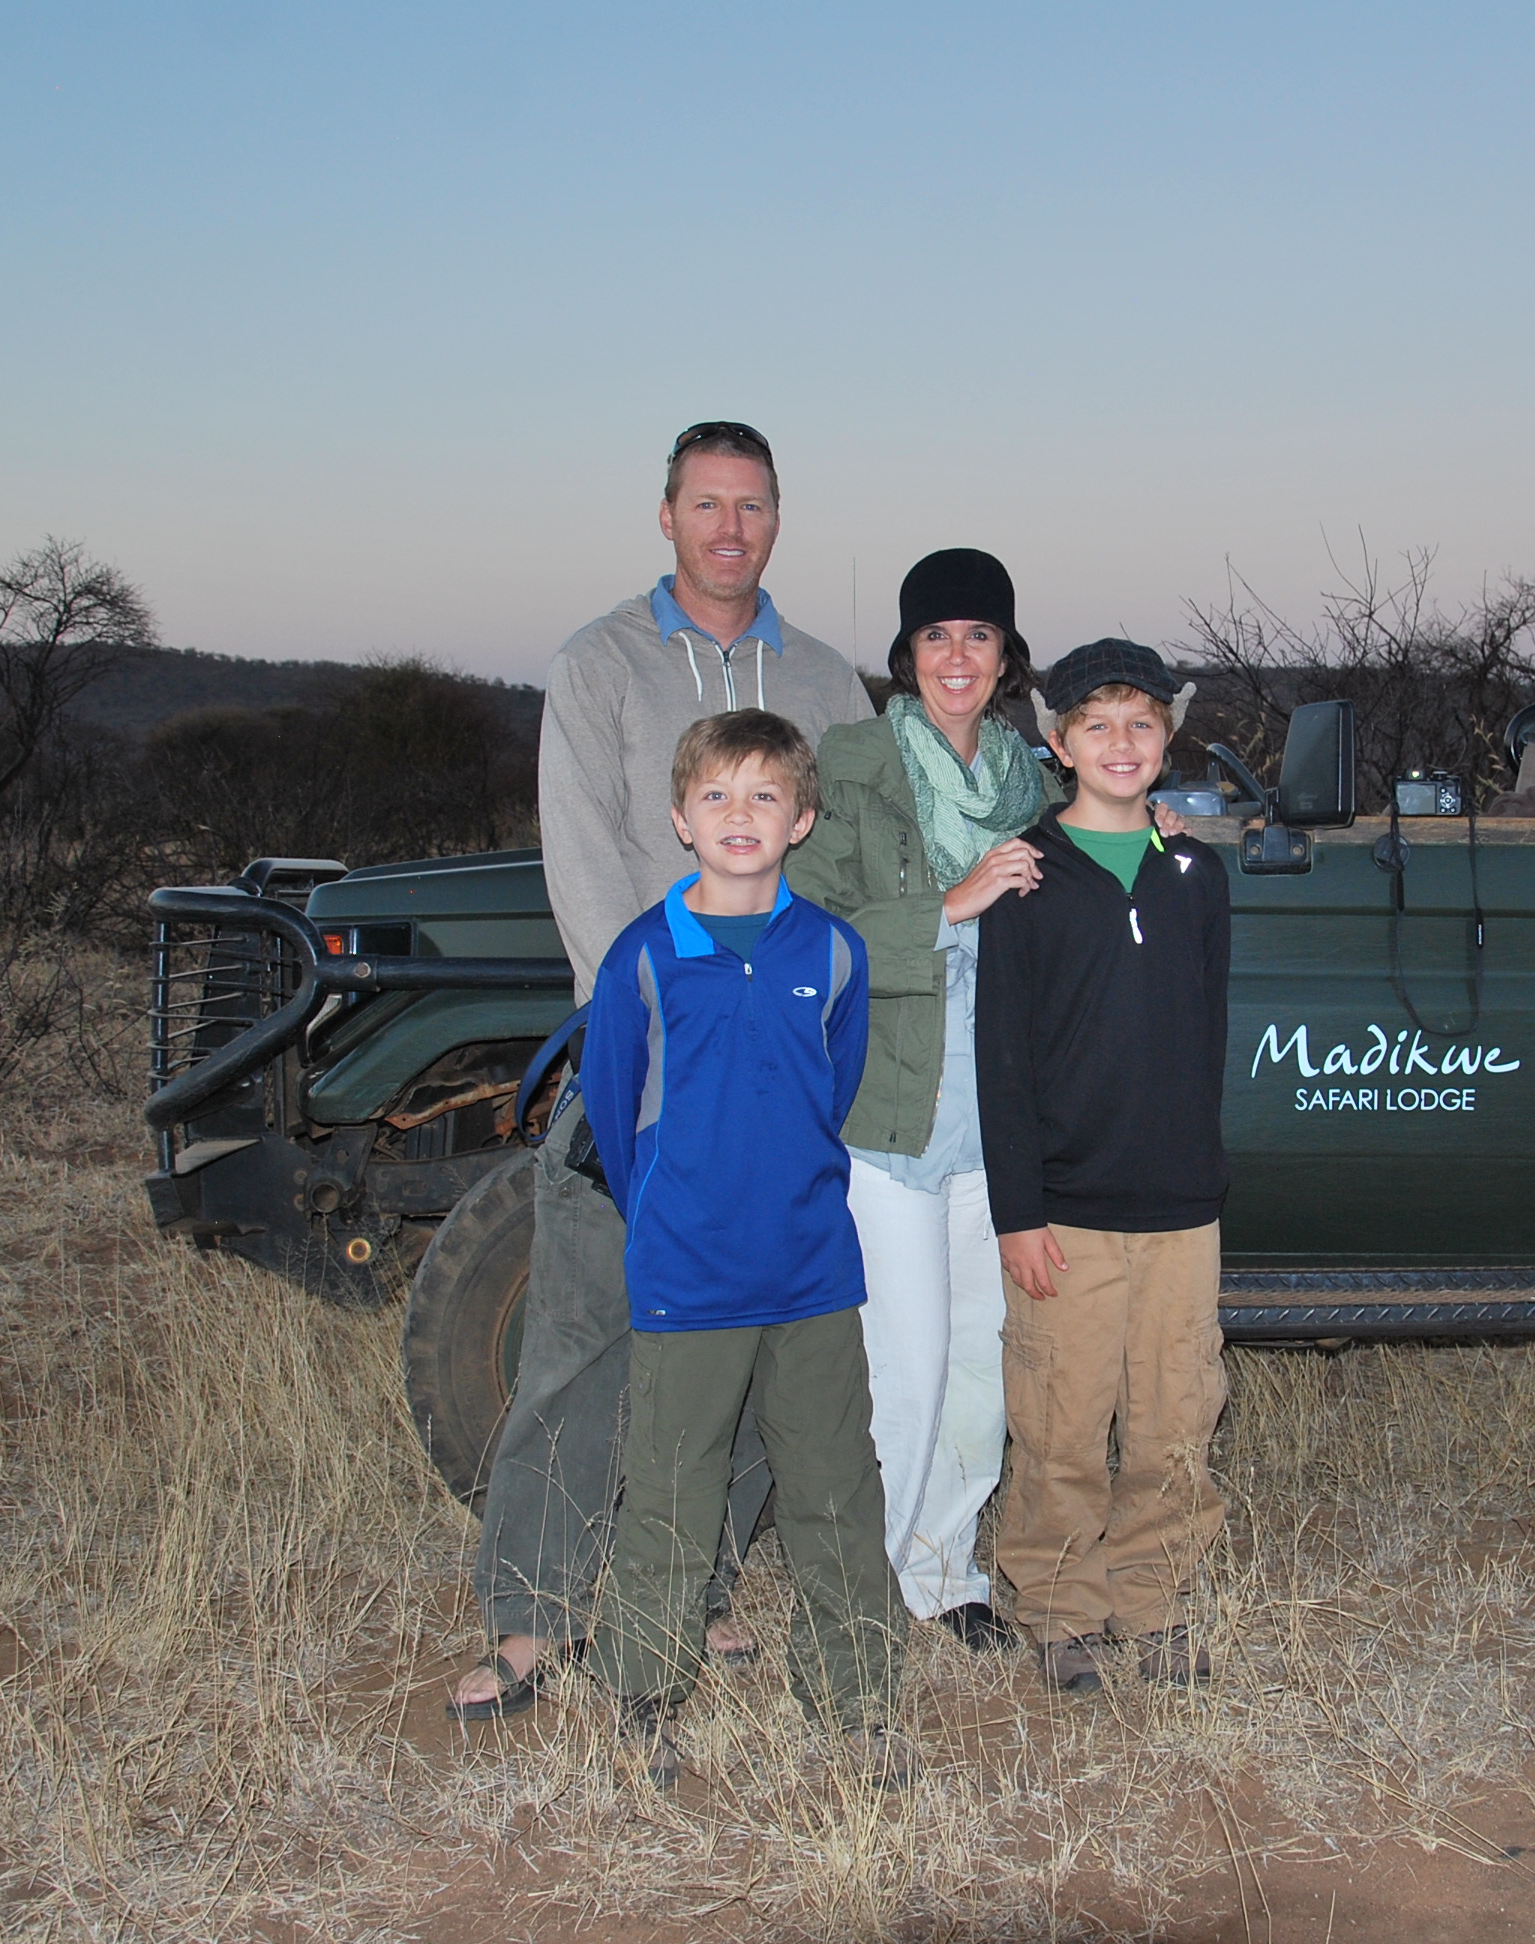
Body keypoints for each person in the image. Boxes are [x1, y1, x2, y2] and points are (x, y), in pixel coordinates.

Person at [451, 422, 871, 1721]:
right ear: (667, 516)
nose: (729, 527)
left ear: (778, 521)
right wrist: (641, 1040)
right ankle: (532, 1615)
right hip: (644, 1060)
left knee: (750, 1352)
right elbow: (581, 862)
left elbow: (851, 861)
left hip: (775, 1072)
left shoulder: (825, 678)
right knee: (584, 1343)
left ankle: (689, 1593)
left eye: (751, 506)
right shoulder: (602, 666)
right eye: (706, 503)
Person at [581, 710, 906, 1789]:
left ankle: (856, 1702)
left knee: (834, 1490)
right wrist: (678, 1216)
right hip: (688, 1275)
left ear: (801, 819)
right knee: (673, 1489)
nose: (739, 815)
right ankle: (641, 1695)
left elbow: (837, 1087)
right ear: (679, 818)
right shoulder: (643, 958)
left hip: (812, 1271)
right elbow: (615, 1108)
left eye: (764, 796)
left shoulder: (833, 950)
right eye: (716, 795)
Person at [786, 549, 1053, 1655]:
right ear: (906, 655)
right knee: (906, 1363)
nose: (957, 656)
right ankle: (869, 1585)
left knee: (981, 1357)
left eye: (978, 637)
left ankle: (946, 1574)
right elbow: (813, 922)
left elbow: (1097, 850)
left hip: (995, 1110)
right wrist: (949, 904)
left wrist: (1165, 837)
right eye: (936, 636)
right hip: (890, 1106)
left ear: (1004, 658)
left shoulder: (1027, 779)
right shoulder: (846, 764)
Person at [975, 640, 1233, 1695]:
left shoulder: (1194, 870)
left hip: (1178, 1206)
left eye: (1140, 724)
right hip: (1066, 1211)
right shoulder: (1026, 878)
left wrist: (1198, 1174)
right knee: (1061, 1418)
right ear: (1057, 741)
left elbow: (1205, 1027)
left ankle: (1155, 1602)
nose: (1119, 744)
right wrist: (1018, 1211)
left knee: (1177, 1413)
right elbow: (1001, 1058)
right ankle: (1055, 1609)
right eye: (1096, 726)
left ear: (1166, 740)